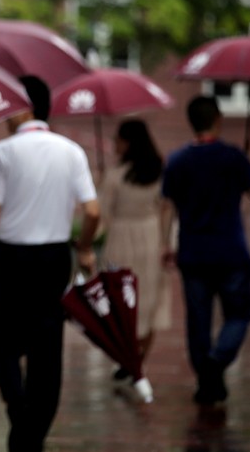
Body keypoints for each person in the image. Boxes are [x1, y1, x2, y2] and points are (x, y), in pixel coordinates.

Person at [0, 75, 100, 452]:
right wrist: (85, 247)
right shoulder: (71, 151)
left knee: (3, 345)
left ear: (25, 107)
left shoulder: (3, 152)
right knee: (47, 349)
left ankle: (19, 412)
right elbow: (92, 210)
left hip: (11, 258)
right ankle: (32, 432)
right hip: (53, 258)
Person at [160, 95, 250, 405]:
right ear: (218, 119)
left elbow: (167, 207)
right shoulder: (233, 157)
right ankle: (217, 362)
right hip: (231, 252)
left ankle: (207, 378)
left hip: (193, 253)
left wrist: (166, 244)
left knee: (198, 321)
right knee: (238, 315)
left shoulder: (178, 160)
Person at [99, 118, 171, 387]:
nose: (114, 144)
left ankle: (127, 358)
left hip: (121, 238)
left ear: (127, 143)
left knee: (122, 301)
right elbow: (167, 208)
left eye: (117, 139)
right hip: (151, 237)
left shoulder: (116, 176)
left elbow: (103, 213)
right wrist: (166, 243)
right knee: (149, 301)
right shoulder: (159, 171)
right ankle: (138, 359)